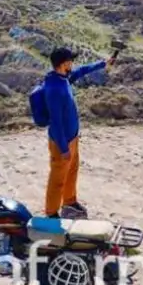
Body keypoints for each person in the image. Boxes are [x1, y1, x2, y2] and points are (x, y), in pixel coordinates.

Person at [43, 47, 114, 218]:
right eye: (70, 61)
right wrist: (63, 148)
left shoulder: (64, 78)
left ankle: (69, 202)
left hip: (72, 138)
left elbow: (82, 71)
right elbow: (56, 122)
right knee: (58, 179)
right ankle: (51, 212)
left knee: (71, 172)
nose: (72, 64)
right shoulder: (54, 89)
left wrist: (103, 63)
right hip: (62, 142)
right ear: (63, 63)